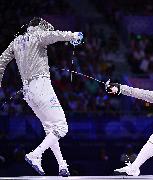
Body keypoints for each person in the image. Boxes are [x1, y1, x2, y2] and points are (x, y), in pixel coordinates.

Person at [0, 17, 83, 176]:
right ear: (37, 26)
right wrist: (73, 36)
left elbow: (1, 61)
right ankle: (35, 154)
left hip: (27, 92)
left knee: (50, 128)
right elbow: (56, 35)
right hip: (41, 87)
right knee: (61, 127)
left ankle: (62, 165)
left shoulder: (16, 41)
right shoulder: (38, 35)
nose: (46, 30)